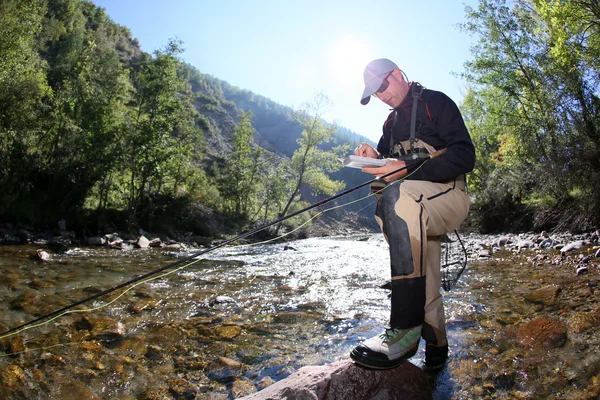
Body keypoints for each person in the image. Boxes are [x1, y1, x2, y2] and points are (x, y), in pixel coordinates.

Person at [349, 58, 475, 370]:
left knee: (398, 196)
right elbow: (386, 172)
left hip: (448, 196)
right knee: (426, 279)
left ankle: (404, 328)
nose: (381, 96)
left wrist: (406, 168)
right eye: (375, 94)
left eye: (382, 87)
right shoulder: (389, 126)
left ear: (397, 75)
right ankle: (437, 355)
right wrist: (375, 158)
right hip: (412, 210)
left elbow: (465, 155)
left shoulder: (436, 102)